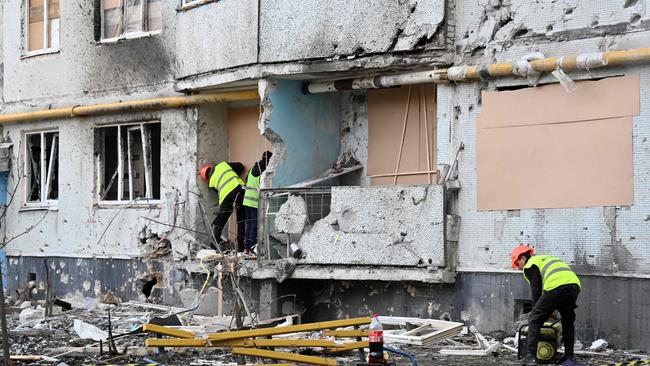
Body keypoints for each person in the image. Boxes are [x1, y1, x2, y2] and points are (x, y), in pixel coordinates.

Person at [511, 245, 583, 366]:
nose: (519, 268)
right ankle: (569, 358)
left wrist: (537, 311)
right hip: (574, 285)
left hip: (556, 286)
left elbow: (537, 291)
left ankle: (530, 358)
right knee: (567, 321)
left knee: (534, 318)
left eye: (517, 264)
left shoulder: (530, 265)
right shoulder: (544, 259)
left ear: (522, 258)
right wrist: (547, 312)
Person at [199, 161, 246, 252]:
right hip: (240, 190)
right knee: (241, 220)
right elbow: (240, 166)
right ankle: (241, 247)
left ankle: (213, 245)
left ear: (207, 177)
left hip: (226, 198)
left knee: (220, 222)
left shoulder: (211, 183)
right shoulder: (223, 165)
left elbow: (219, 191)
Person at [242, 151, 272, 256]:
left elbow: (246, 181)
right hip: (255, 202)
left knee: (249, 225)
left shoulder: (252, 169)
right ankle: (252, 249)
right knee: (254, 225)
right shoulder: (264, 171)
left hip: (246, 201)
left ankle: (246, 248)